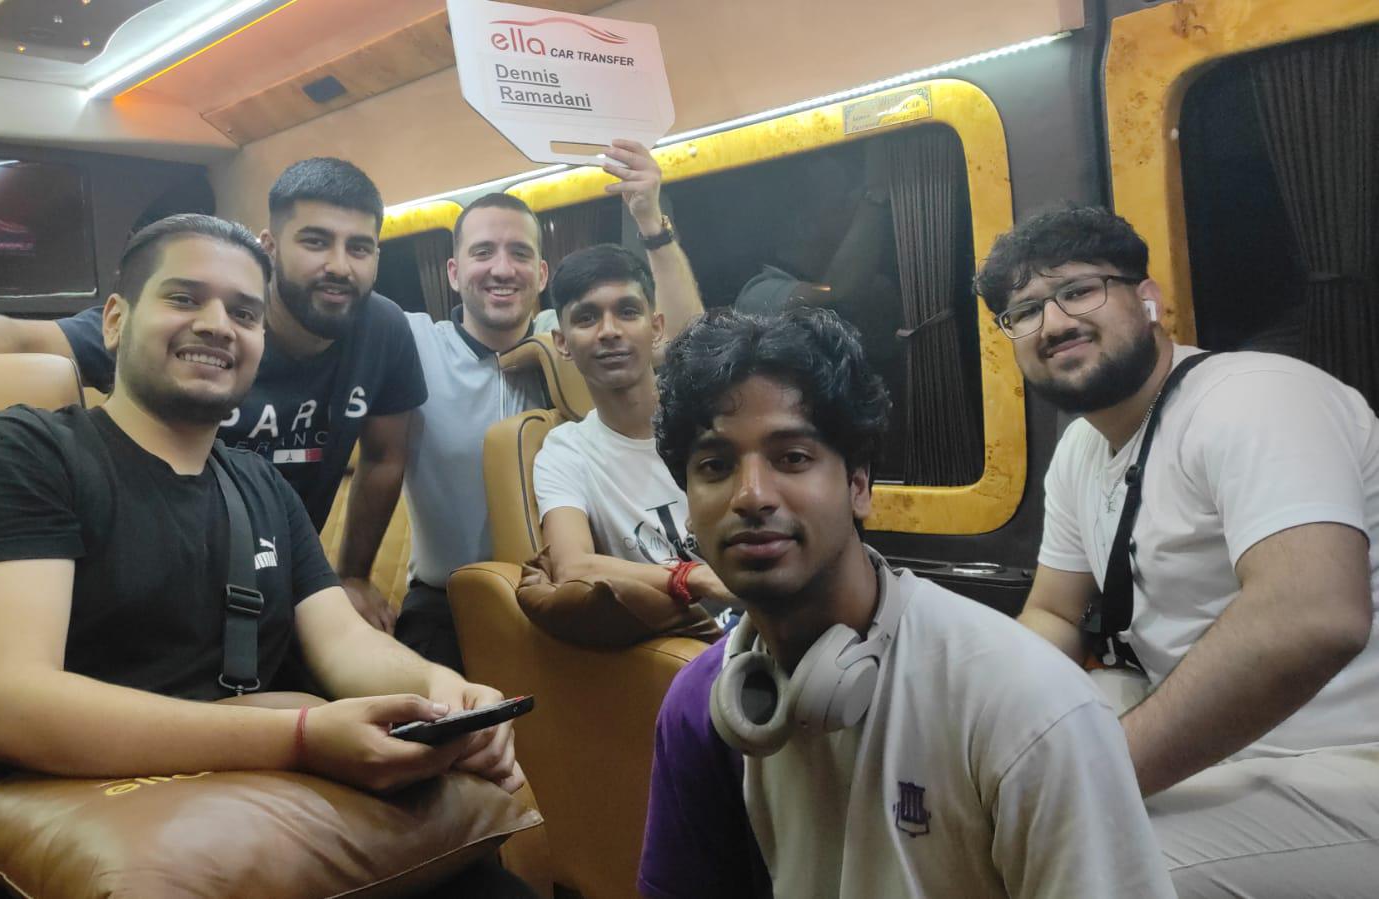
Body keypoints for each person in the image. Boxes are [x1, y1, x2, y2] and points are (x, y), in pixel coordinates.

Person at [0, 215, 526, 898]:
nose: (217, 325)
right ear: (116, 320)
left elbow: (344, 641)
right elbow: (13, 707)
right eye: (184, 298)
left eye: (244, 313)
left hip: (226, 826)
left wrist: (438, 690)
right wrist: (301, 737)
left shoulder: (260, 486)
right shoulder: (20, 454)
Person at [638, 309, 1173, 899]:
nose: (751, 495)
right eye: (716, 466)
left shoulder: (1027, 707)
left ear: (859, 485)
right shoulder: (700, 709)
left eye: (792, 458)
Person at [0, 158, 425, 633]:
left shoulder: (383, 333)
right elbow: (21, 339)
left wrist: (353, 575)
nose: (339, 264)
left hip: (279, 579)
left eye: (359, 248)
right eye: (315, 241)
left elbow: (384, 456)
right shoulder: (145, 348)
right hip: (157, 587)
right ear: (271, 245)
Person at [976, 205, 1379, 896]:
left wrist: (1097, 772)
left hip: (1346, 761)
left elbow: (1312, 617)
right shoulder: (1081, 449)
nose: (1053, 322)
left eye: (1079, 290)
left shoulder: (1254, 398)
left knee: (1067, 869)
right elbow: (1055, 613)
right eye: (1026, 310)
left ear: (1147, 299)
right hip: (1227, 756)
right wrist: (968, 727)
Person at [392, 139, 705, 669]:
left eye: (519, 254)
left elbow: (686, 342)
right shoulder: (417, 344)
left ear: (540, 275)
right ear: (452, 273)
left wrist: (652, 223)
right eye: (482, 252)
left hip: (564, 602)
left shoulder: (568, 333)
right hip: (446, 601)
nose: (502, 269)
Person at [532, 243, 734, 617]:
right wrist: (693, 577)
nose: (609, 331)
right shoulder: (564, 452)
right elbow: (572, 567)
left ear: (656, 328)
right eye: (587, 318)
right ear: (562, 342)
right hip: (682, 636)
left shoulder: (710, 420)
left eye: (627, 312)